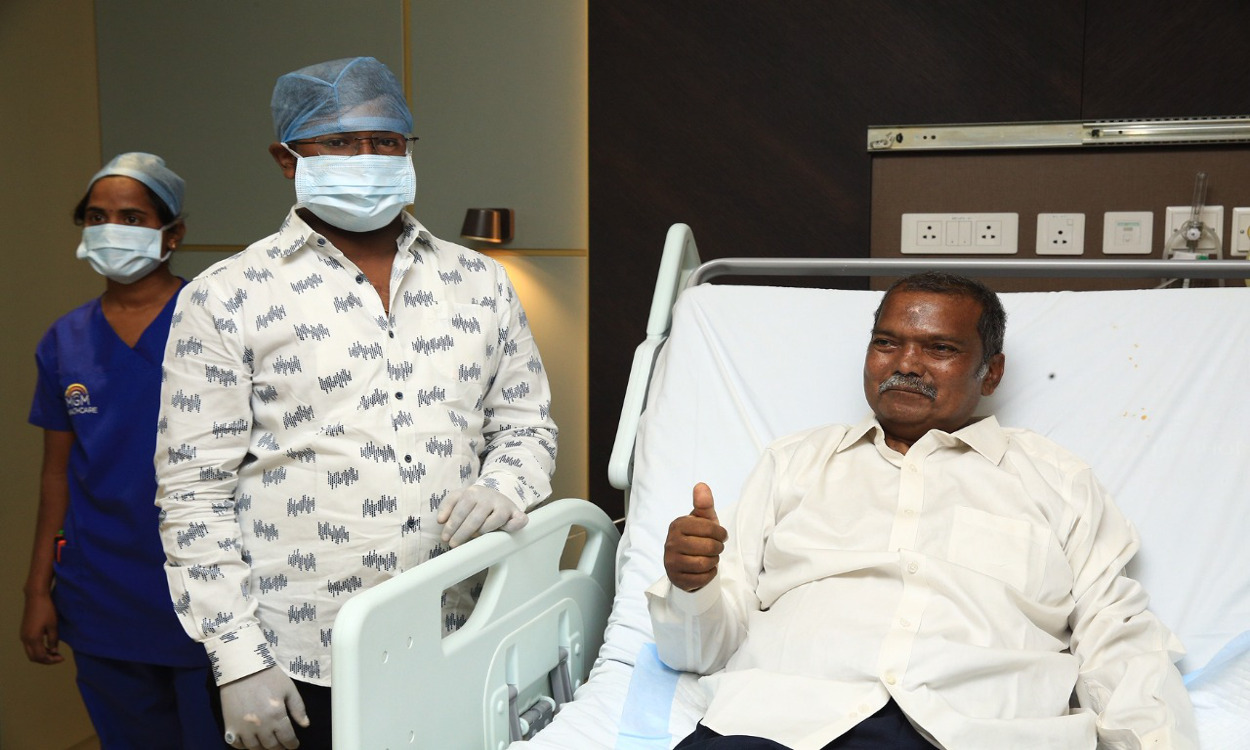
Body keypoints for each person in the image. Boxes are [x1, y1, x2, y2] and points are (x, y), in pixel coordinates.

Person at [154, 56, 557, 750]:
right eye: (339, 142)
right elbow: (194, 492)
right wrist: (238, 658)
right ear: (287, 158)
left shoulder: (480, 283)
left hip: (461, 630)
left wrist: (507, 484)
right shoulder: (226, 296)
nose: (367, 158)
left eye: (386, 141)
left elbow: (526, 427)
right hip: (302, 656)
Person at [649, 272, 1197, 750]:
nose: (905, 364)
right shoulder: (793, 463)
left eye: (939, 348)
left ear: (991, 372)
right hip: (780, 728)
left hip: (983, 734)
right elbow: (701, 652)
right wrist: (692, 586)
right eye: (886, 343)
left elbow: (1118, 640)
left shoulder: (1057, 481)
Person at [22, 153, 224, 748]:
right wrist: (37, 590)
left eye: (132, 217)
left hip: (204, 587)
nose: (111, 229)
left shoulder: (214, 322)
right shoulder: (65, 340)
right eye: (97, 216)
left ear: (173, 234)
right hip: (100, 591)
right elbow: (57, 475)